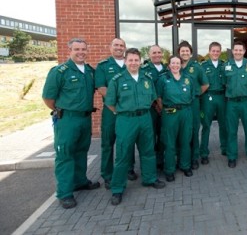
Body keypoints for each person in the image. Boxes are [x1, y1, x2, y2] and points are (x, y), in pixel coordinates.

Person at [42, 38, 100, 209]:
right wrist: (61, 110)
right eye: (77, 49)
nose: (81, 52)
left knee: (82, 151)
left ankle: (80, 181)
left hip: (85, 118)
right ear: (70, 51)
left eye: (83, 49)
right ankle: (65, 193)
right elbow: (48, 98)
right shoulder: (60, 71)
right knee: (65, 154)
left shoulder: (89, 71)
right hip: (67, 119)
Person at [105, 48, 165, 206]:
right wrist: (124, 113)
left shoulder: (146, 78)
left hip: (145, 118)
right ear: (125, 61)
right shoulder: (117, 80)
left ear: (140, 61)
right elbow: (110, 104)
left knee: (148, 151)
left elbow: (153, 98)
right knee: (123, 154)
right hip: (126, 120)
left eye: (136, 60)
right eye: (130, 60)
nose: (133, 63)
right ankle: (117, 188)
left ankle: (150, 179)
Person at [95, 38, 137, 189]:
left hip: (128, 112)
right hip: (111, 111)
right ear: (110, 47)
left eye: (122, 46)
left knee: (128, 140)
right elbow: (101, 87)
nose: (119, 48)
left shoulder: (131, 64)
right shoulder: (103, 66)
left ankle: (129, 168)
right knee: (108, 142)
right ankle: (107, 174)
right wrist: (117, 104)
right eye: (116, 45)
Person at [156, 55, 194, 182]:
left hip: (186, 112)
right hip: (170, 113)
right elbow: (158, 97)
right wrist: (164, 109)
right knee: (170, 142)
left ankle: (185, 165)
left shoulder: (188, 78)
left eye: (178, 63)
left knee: (185, 140)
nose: (176, 65)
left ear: (181, 64)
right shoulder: (163, 79)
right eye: (173, 63)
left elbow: (192, 95)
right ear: (169, 65)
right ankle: (169, 169)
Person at [223, 41, 247, 168]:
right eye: (235, 50)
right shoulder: (226, 65)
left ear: (244, 51)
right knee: (231, 131)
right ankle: (232, 156)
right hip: (231, 103)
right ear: (232, 51)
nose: (237, 52)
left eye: (240, 50)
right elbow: (223, 83)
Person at [178, 41, 209, 169]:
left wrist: (195, 94)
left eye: (187, 51)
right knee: (181, 131)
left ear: (190, 53)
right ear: (178, 53)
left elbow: (205, 84)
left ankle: (195, 156)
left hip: (193, 103)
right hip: (179, 104)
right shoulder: (175, 65)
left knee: (194, 130)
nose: (185, 53)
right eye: (182, 51)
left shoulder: (196, 67)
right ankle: (181, 157)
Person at [200, 42, 227, 164]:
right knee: (206, 125)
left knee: (223, 124)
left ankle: (225, 148)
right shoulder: (203, 66)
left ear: (220, 52)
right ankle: (204, 152)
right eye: (213, 51)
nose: (215, 53)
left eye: (217, 51)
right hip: (208, 98)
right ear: (209, 51)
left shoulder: (224, 65)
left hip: (222, 97)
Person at [141, 45, 167, 170]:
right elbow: (144, 89)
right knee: (150, 137)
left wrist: (161, 105)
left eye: (159, 52)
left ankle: (160, 160)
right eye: (154, 53)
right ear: (149, 55)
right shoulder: (144, 69)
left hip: (165, 108)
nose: (157, 55)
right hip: (151, 108)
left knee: (162, 135)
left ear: (162, 54)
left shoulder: (167, 68)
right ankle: (150, 163)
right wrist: (155, 104)